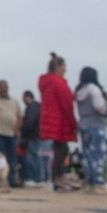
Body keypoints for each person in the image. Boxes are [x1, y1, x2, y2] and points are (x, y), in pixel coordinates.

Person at [38, 52, 77, 191]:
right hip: (59, 121)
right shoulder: (58, 82)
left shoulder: (46, 82)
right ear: (59, 66)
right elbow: (67, 104)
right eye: (64, 66)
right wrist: (73, 123)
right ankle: (58, 178)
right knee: (62, 150)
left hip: (51, 121)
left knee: (60, 150)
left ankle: (58, 178)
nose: (65, 70)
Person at [74, 67, 107, 193]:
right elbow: (99, 106)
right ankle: (99, 182)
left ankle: (89, 182)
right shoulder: (94, 89)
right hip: (96, 125)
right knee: (98, 154)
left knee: (87, 155)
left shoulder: (79, 91)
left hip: (84, 124)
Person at [0, 79, 22, 187]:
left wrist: (17, 129)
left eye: (5, 86)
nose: (3, 89)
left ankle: (12, 180)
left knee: (12, 158)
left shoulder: (14, 101)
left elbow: (20, 116)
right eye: (1, 87)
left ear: (8, 88)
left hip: (11, 134)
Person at [20, 90, 44, 186]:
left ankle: (34, 179)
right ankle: (38, 178)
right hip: (36, 135)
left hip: (32, 136)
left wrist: (23, 132)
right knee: (35, 156)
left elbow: (29, 122)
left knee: (32, 157)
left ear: (27, 97)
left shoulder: (32, 107)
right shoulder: (38, 106)